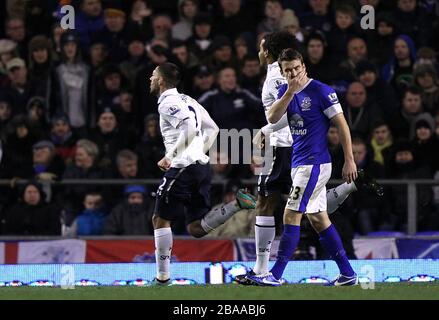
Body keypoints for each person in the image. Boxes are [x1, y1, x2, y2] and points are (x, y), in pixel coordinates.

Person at [249, 48, 359, 286]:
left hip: (315, 164)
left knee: (291, 213)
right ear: (282, 71)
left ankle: (275, 275)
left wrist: (349, 159)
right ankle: (348, 273)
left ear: (304, 67)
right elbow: (272, 118)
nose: (293, 73)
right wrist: (289, 92)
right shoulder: (284, 91)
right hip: (299, 163)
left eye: (296, 68)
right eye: (288, 70)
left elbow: (341, 125)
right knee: (319, 218)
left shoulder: (321, 91)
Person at [148, 62, 257, 285]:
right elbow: (213, 129)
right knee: (196, 228)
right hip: (200, 167)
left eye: (153, 75)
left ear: (161, 80)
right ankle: (236, 204)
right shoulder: (189, 100)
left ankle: (162, 279)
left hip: (182, 167)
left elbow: (188, 129)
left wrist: (171, 156)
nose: (150, 78)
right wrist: (198, 151)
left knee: (160, 219)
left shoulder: (168, 102)